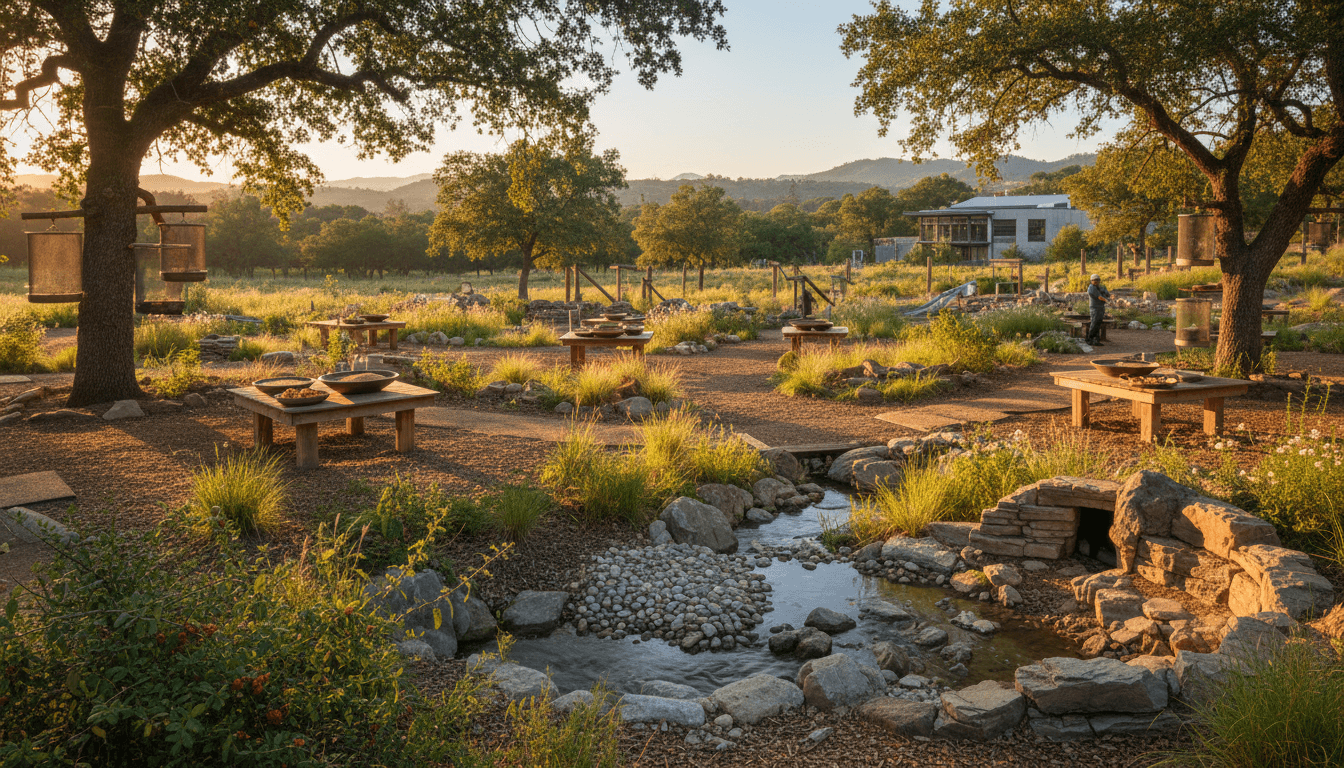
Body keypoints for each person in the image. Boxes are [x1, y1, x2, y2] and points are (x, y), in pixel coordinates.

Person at [1086, 274, 1110, 346]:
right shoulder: (1091, 288)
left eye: (1098, 280)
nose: (1096, 281)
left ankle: (1096, 340)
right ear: (1091, 281)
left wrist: (1104, 293)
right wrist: (1107, 301)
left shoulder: (1099, 287)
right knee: (1094, 323)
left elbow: (1107, 294)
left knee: (1098, 323)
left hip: (1100, 307)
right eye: (1095, 280)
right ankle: (1089, 339)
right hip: (1095, 308)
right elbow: (1099, 297)